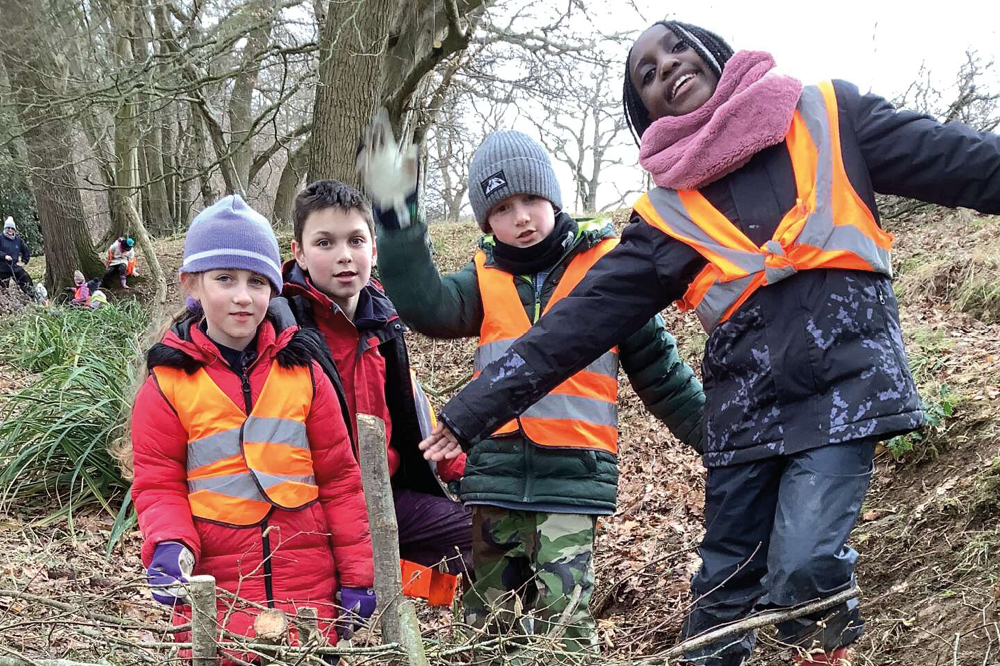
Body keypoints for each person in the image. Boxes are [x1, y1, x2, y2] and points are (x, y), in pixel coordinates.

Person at [417, 20, 1000, 666]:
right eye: (646, 74)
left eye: (675, 50)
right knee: (720, 592)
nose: (665, 67)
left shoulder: (830, 116)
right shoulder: (667, 217)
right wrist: (470, 413)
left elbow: (964, 161)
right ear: (647, 114)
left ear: (715, 55)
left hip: (845, 394)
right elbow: (571, 329)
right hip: (746, 417)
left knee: (805, 564)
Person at [359, 120, 705, 657]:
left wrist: (718, 439)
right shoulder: (484, 276)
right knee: (480, 626)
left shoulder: (610, 272)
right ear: (486, 219)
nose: (519, 218)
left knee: (563, 627)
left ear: (553, 195)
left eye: (530, 200)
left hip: (571, 482)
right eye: (500, 208)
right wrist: (398, 219)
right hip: (494, 479)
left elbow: (663, 375)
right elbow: (425, 304)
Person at [129, 195, 375, 661]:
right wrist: (168, 545)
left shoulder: (303, 371)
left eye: (257, 282)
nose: (243, 296)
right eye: (225, 279)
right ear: (192, 284)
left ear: (274, 290)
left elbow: (341, 481)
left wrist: (360, 575)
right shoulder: (167, 384)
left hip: (309, 588)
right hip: (217, 590)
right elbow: (158, 484)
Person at [282, 179, 473, 581]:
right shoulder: (283, 329)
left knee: (481, 538)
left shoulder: (384, 322)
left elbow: (412, 410)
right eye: (325, 243)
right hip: (312, 505)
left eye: (355, 240)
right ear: (298, 252)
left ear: (373, 248)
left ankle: (406, 593)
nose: (344, 257)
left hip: (385, 495)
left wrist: (463, 470)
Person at [0, 216, 36, 298]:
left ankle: (33, 297)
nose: (10, 230)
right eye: (8, 228)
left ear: (14, 230)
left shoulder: (18, 240)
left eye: (12, 228)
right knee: (3, 290)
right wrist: (4, 256)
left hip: (15, 267)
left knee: (26, 279)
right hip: (2, 269)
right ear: (5, 228)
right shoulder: (0, 238)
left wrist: (23, 261)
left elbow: (26, 252)